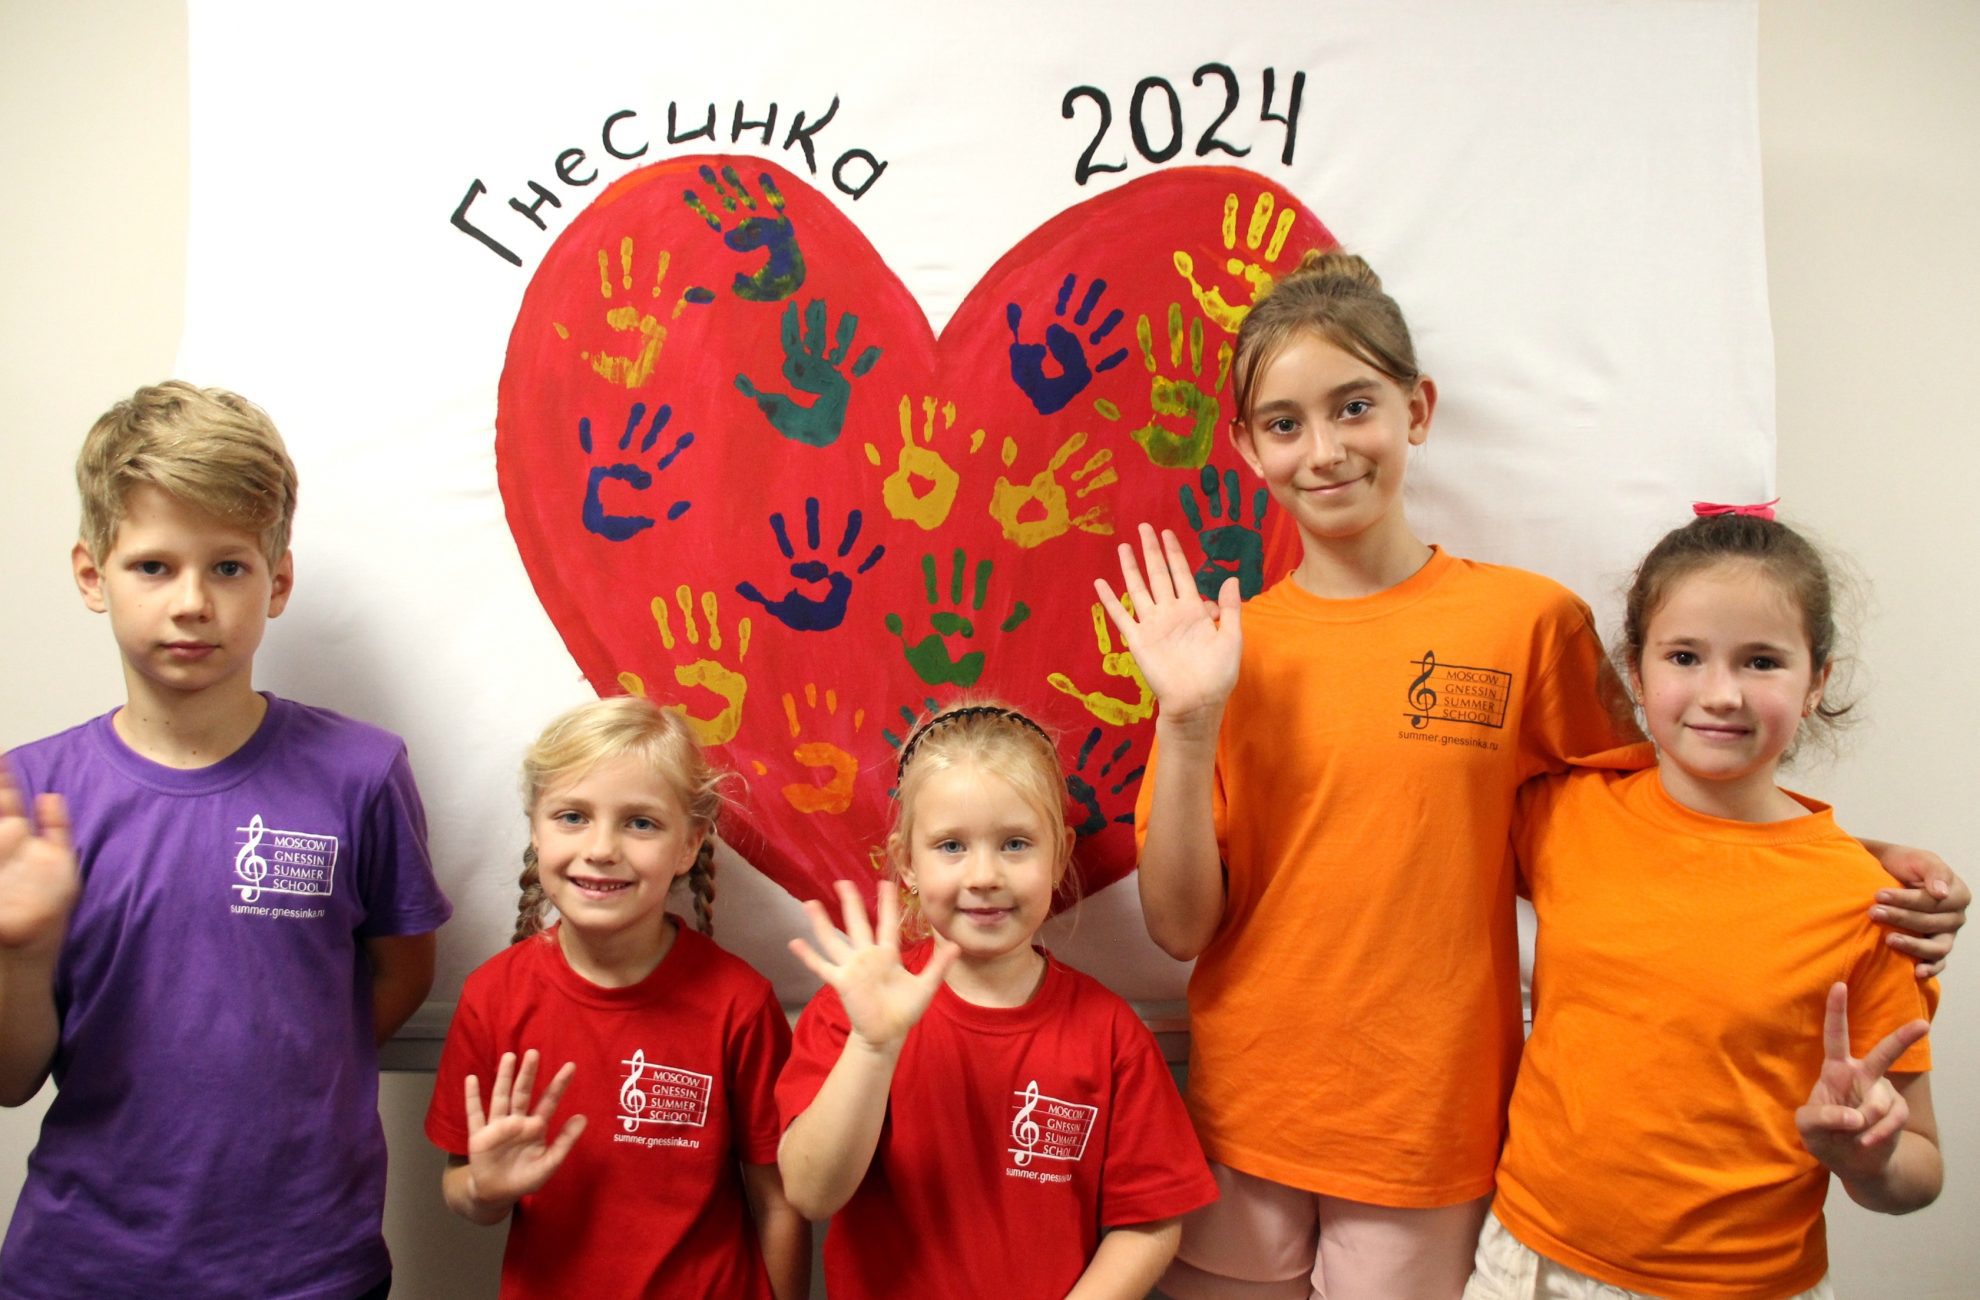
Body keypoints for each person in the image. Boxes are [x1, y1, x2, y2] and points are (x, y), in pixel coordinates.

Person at [1095, 252, 1967, 1300]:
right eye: (1285, 423)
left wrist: (1851, 862)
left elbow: (1664, 807)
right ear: (1246, 445)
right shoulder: (1220, 651)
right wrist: (1189, 719)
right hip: (1243, 1110)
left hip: (1429, 1130)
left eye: (1355, 406)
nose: (1323, 450)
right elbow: (1180, 925)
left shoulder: (1527, 623)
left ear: (1417, 410)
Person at [0, 381, 451, 1299]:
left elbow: (402, 972)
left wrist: (297, 1062)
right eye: (153, 566)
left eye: (229, 568)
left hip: (307, 1268)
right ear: (92, 575)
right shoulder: (30, 797)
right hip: (82, 1270)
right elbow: (12, 1079)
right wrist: (22, 953)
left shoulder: (361, 774)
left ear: (277, 582)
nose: (192, 602)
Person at [1466, 508, 1940, 1299]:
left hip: (1748, 1284)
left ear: (1817, 682)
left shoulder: (1868, 904)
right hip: (1530, 1264)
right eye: (1685, 656)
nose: (1721, 694)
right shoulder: (1564, 812)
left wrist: (1871, 1157)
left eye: (1762, 661)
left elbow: (1921, 1170)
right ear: (1636, 669)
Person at [776, 702, 1218, 1299]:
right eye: (951, 846)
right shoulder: (851, 1014)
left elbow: (1152, 1222)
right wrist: (873, 1047)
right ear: (906, 862)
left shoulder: (1109, 1034)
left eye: (1014, 844)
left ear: (1058, 855)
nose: (984, 875)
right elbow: (810, 1194)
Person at [426, 695, 807, 1299]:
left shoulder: (740, 1003)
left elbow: (779, 1201)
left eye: (640, 823)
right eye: (572, 816)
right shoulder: (492, 995)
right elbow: (462, 1185)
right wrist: (483, 1189)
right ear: (536, 829)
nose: (602, 848)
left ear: (688, 845)